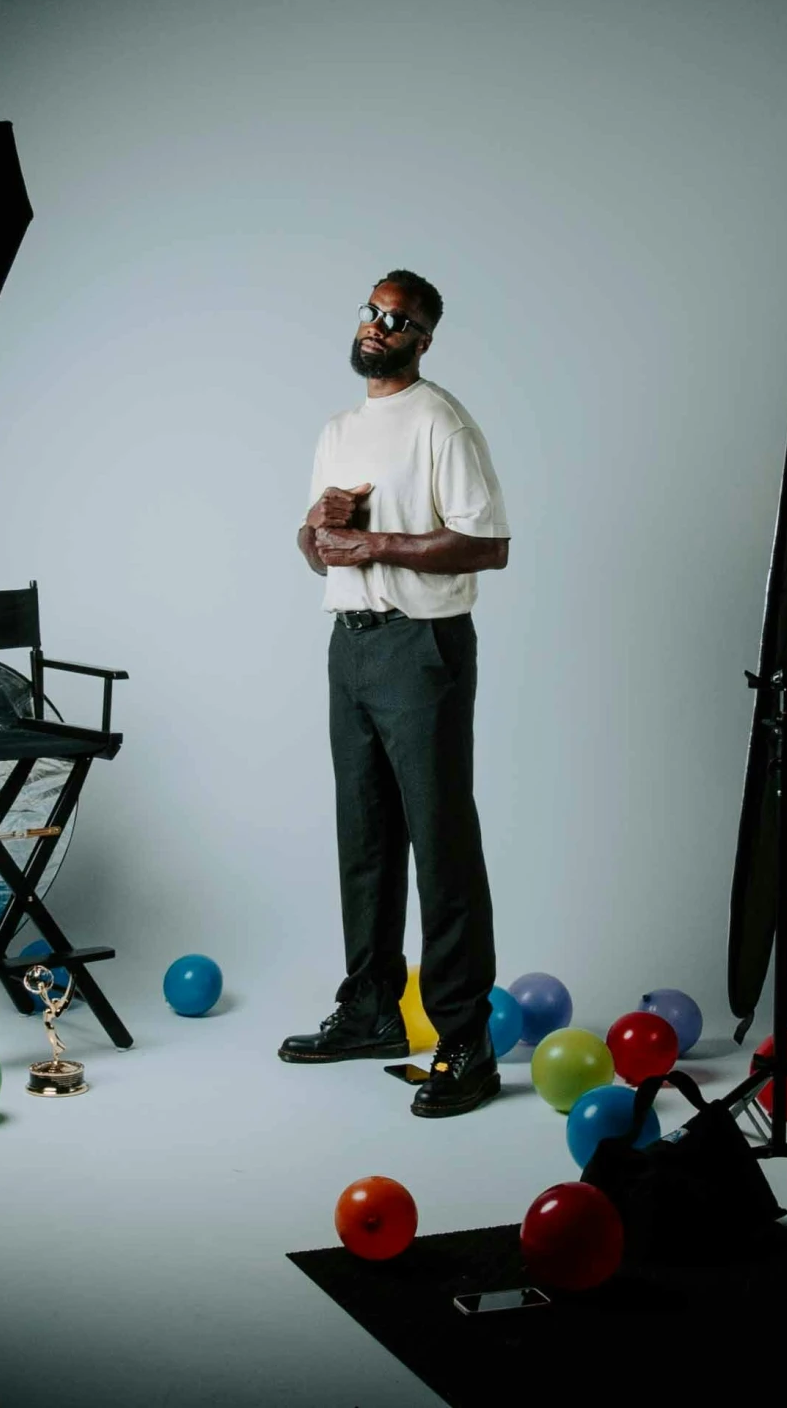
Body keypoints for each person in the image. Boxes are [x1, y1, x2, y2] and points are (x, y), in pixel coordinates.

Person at [278, 270, 511, 1118]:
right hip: (350, 648)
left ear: (423, 338)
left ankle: (466, 1041)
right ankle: (373, 1009)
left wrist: (371, 540)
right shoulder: (338, 429)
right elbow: (320, 549)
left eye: (399, 319)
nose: (380, 326)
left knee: (441, 840)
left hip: (422, 652)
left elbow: (488, 545)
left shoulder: (441, 421)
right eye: (373, 311)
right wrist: (317, 530)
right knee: (367, 838)